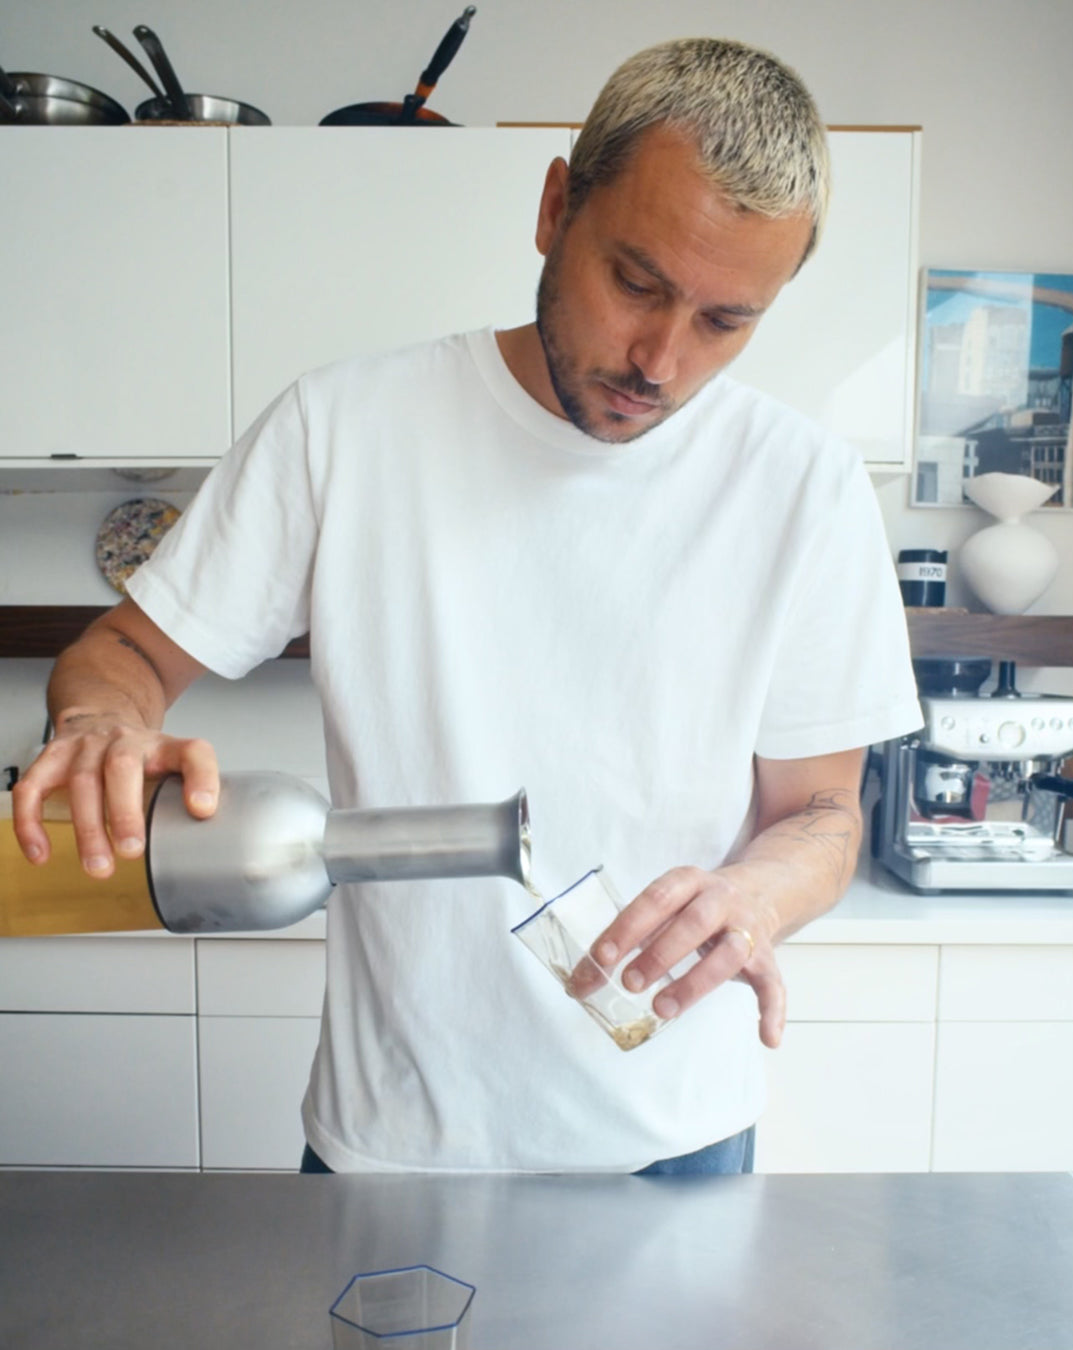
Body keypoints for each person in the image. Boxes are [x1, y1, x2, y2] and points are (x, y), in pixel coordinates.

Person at [13, 37, 921, 1175]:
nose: (661, 359)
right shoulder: (346, 431)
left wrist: (757, 894)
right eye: (635, 282)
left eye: (724, 322)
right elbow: (125, 654)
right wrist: (102, 724)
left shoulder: (806, 488)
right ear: (555, 207)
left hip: (676, 1138)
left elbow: (825, 811)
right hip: (394, 1145)